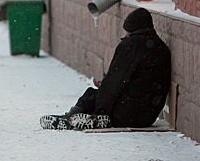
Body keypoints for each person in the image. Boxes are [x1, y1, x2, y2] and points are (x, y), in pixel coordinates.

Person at [40, 7, 172, 130]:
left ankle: (73, 118)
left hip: (127, 113)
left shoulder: (130, 46)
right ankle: (85, 118)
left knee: (92, 95)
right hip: (147, 116)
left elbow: (115, 81)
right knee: (104, 95)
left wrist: (101, 109)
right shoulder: (162, 48)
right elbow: (140, 81)